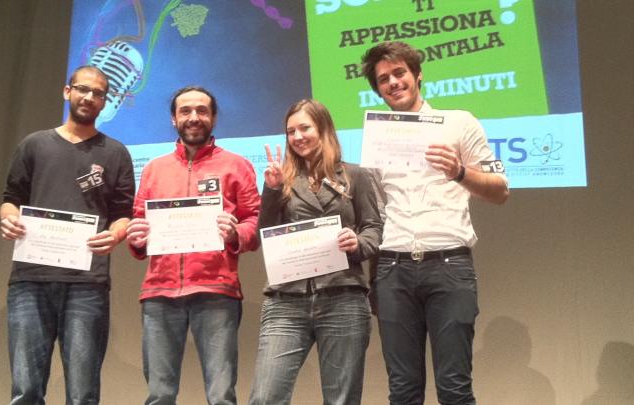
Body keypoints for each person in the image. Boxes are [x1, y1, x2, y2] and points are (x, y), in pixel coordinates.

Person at [361, 41, 509, 404]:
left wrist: (459, 172)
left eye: (399, 73)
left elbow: (500, 190)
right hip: (392, 269)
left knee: (455, 388)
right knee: (403, 390)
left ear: (417, 75)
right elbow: (376, 211)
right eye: (384, 79)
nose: (393, 82)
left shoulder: (458, 122)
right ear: (378, 88)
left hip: (449, 265)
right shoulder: (377, 136)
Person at [0, 65, 135, 404]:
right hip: (30, 280)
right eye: (83, 89)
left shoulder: (116, 153)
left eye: (99, 93)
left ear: (105, 102)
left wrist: (116, 235)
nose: (90, 97)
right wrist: (9, 219)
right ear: (67, 91)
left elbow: (123, 215)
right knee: (26, 391)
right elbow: (10, 200)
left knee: (83, 393)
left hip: (87, 284)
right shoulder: (34, 144)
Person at [125, 86, 261, 405]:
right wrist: (137, 239)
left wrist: (235, 234)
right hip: (159, 292)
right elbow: (138, 221)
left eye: (202, 110)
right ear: (174, 119)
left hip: (216, 291)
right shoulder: (154, 168)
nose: (194, 117)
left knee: (221, 395)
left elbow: (254, 221)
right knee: (159, 395)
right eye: (185, 111)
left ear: (213, 118)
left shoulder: (237, 165)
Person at [248, 99, 383, 405]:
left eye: (305, 127)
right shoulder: (280, 181)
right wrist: (270, 191)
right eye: (291, 131)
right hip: (286, 301)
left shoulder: (355, 176)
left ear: (323, 129)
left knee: (342, 400)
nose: (297, 136)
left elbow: (374, 228)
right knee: (265, 398)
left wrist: (358, 243)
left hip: (343, 297)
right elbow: (264, 238)